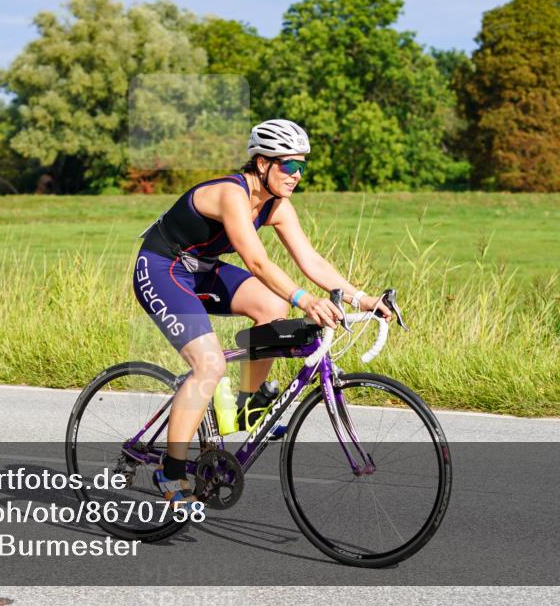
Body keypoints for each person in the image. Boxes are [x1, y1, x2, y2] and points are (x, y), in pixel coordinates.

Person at [133, 119, 391, 508]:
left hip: (199, 267)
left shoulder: (277, 206)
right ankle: (169, 473)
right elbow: (256, 261)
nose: (297, 174)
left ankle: (247, 404)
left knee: (273, 306)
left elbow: (311, 260)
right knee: (209, 366)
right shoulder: (230, 194)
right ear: (262, 163)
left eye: (303, 165)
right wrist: (306, 300)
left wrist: (361, 298)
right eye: (289, 165)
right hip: (161, 268)